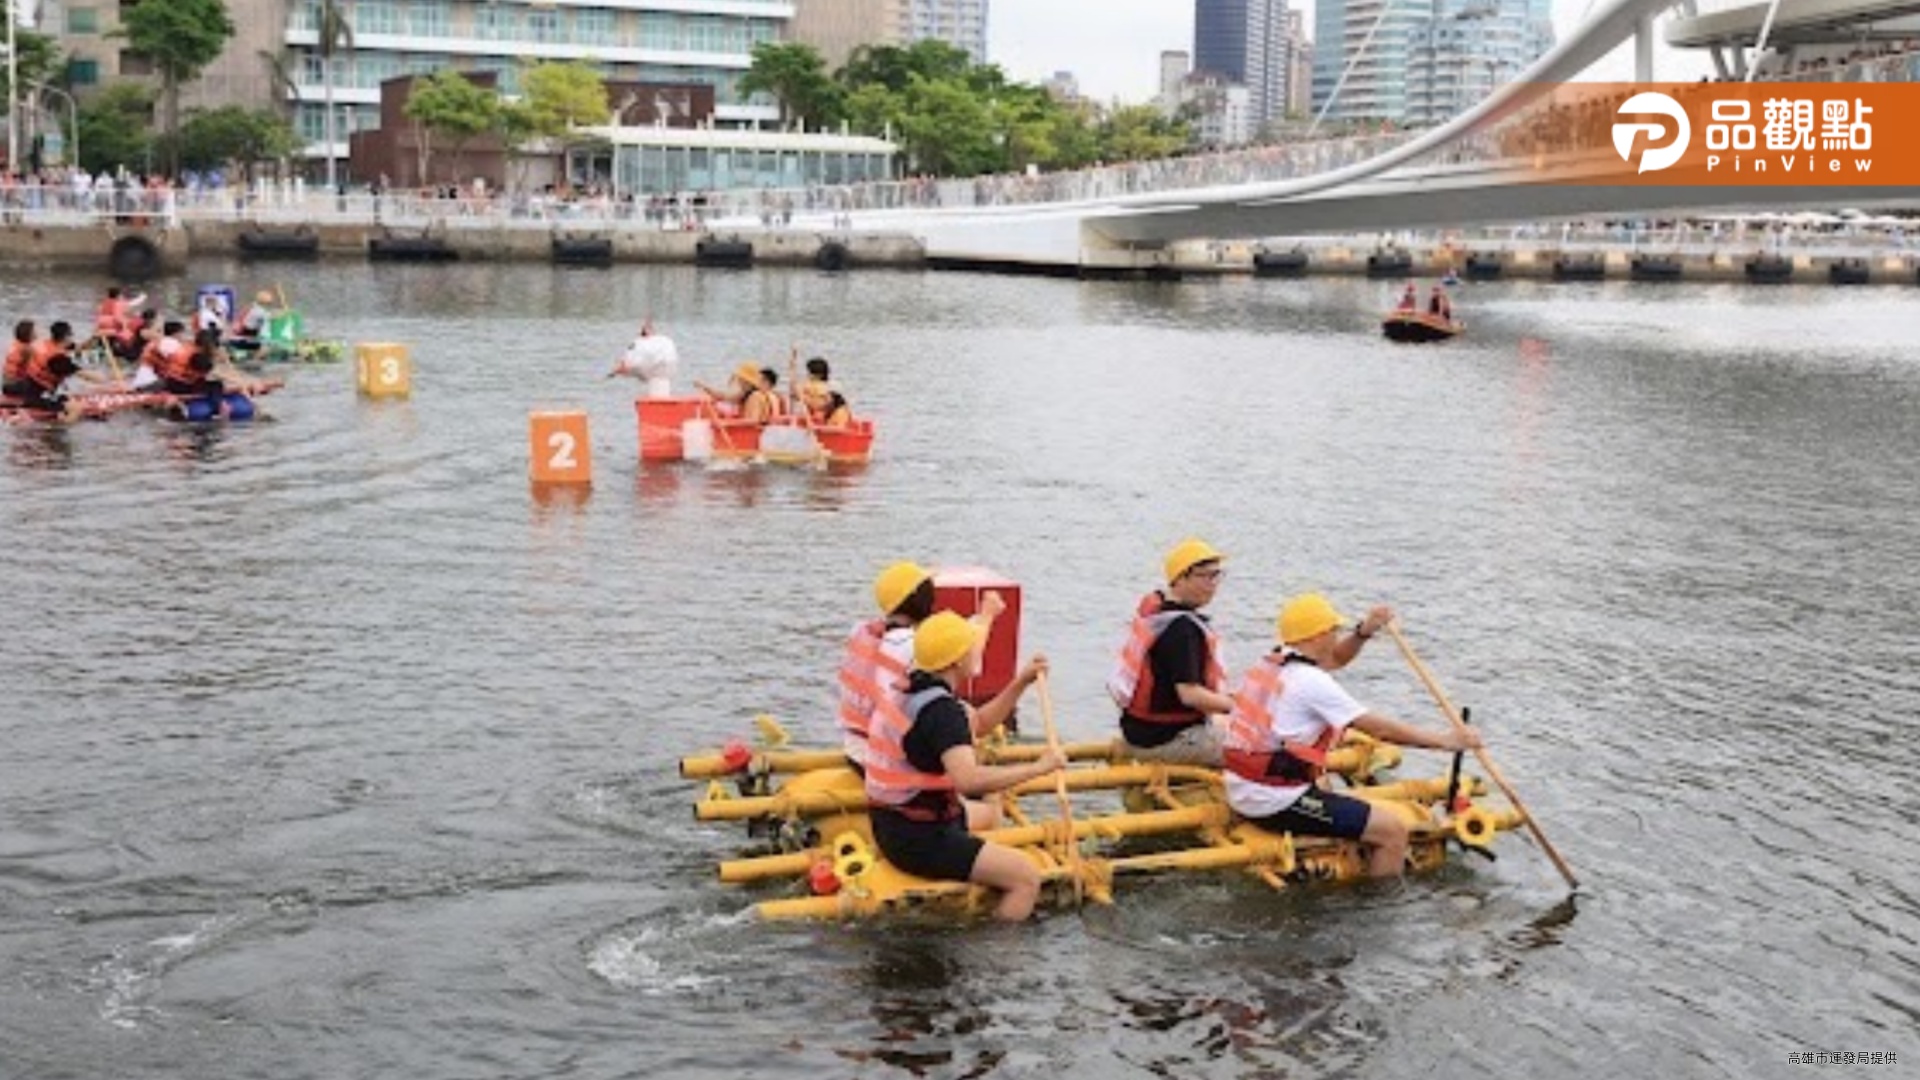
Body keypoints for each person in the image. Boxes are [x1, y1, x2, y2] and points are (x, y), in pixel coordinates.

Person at [1223, 594, 1482, 878]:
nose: (1336, 637)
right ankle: (1381, 905)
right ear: (1318, 636)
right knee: (1392, 831)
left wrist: (1363, 632)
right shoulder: (1311, 682)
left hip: (1242, 786)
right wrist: (1446, 741)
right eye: (1334, 631)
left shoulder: (1273, 662)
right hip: (1273, 800)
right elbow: (1379, 729)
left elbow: (1335, 658)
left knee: (1327, 785)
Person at [864, 611, 1064, 922]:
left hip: (890, 821)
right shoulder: (942, 713)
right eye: (972, 647)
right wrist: (1040, 767)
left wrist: (1021, 681)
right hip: (919, 838)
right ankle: (995, 956)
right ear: (956, 661)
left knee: (989, 814)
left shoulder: (909, 688)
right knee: (1026, 878)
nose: (977, 652)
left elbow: (980, 723)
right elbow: (968, 781)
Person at [837, 562, 1006, 776]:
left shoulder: (861, 631)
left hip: (854, 746)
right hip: (882, 756)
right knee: (962, 714)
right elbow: (966, 659)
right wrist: (987, 616)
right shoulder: (907, 645)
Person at [1109, 538, 1234, 766]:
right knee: (1259, 747)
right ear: (1180, 578)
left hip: (1139, 733)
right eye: (1206, 576)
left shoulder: (1157, 612)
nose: (1213, 584)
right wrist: (1239, 706)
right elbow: (1190, 694)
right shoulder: (1182, 630)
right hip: (1167, 741)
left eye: (1217, 575)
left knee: (1224, 723)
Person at [2, 320, 84, 416]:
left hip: (9, 384)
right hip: (15, 385)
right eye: (34, 331)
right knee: (40, 383)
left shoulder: (19, 345)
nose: (37, 332)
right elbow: (44, 359)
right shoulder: (27, 350)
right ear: (29, 334)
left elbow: (48, 349)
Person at [605, 318, 679, 398]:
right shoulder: (660, 341)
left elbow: (636, 360)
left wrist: (622, 367)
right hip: (659, 370)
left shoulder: (649, 343)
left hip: (658, 371)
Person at [696, 363, 780, 424]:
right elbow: (724, 396)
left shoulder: (755, 396)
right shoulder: (745, 394)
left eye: (741, 379)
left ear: (747, 381)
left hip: (752, 435)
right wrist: (705, 388)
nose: (739, 382)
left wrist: (730, 423)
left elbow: (753, 421)